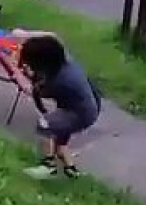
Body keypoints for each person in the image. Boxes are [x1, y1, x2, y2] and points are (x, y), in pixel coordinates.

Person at [9, 29, 101, 179]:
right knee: (60, 143)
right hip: (86, 104)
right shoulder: (64, 58)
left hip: (80, 114)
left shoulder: (58, 81)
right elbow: (53, 36)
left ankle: (48, 166)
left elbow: (30, 90)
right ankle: (71, 171)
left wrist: (15, 70)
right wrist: (26, 35)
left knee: (45, 124)